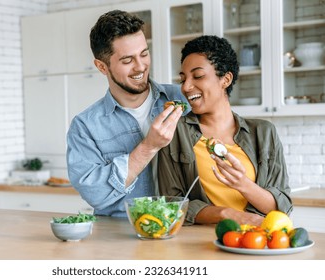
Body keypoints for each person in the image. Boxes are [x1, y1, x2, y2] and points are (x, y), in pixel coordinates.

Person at [158, 35, 293, 226]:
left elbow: (282, 207)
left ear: (226, 79)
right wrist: (227, 214)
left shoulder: (263, 133)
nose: (186, 87)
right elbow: (171, 203)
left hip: (258, 241)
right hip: (202, 244)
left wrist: (243, 184)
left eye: (197, 76)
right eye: (183, 78)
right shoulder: (175, 131)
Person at [66, 10, 189, 217]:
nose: (140, 66)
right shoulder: (85, 127)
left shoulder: (183, 99)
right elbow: (94, 194)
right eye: (127, 60)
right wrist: (149, 147)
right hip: (120, 240)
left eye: (144, 53)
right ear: (102, 67)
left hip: (184, 232)